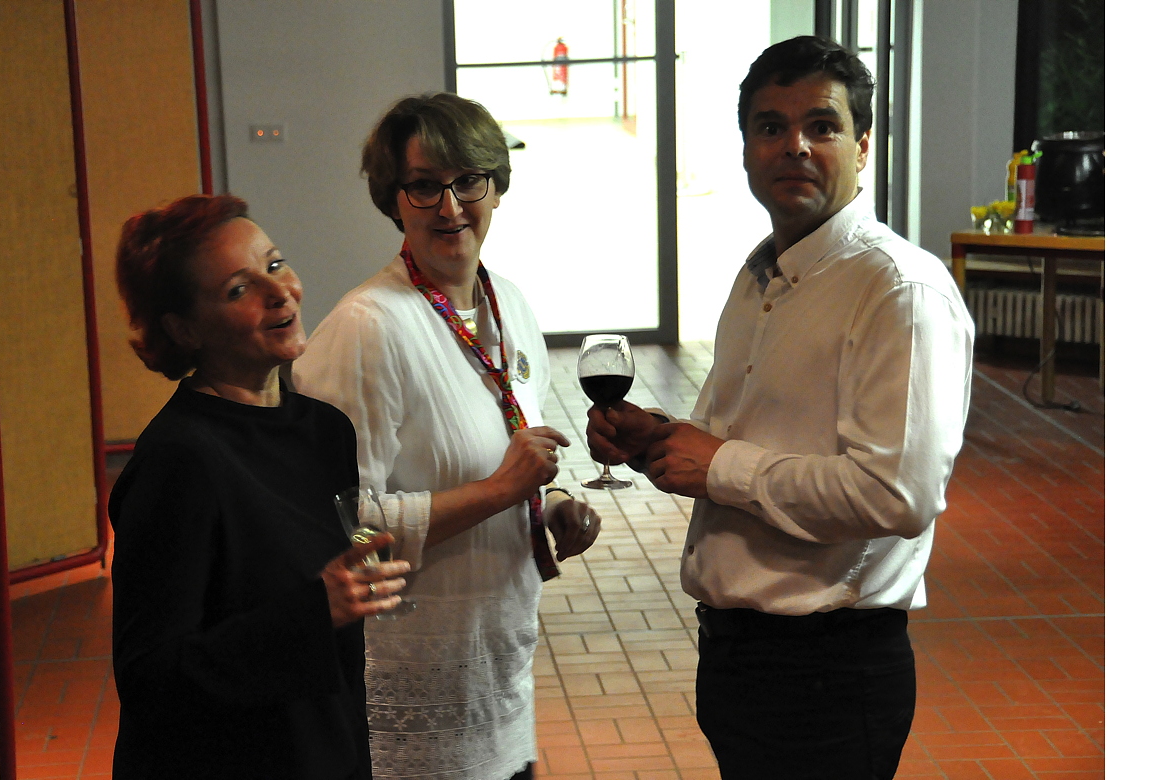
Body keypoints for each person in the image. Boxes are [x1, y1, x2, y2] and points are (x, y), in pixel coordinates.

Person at [587, 36, 974, 780]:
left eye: (822, 126)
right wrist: (657, 438)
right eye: (771, 127)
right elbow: (743, 438)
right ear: (746, 150)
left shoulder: (899, 291)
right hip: (740, 656)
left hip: (828, 674)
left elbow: (898, 495)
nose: (794, 145)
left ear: (863, 145)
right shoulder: (761, 274)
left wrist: (719, 465)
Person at [292, 92, 602, 780]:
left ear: (496, 187)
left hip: (499, 666)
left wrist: (551, 505)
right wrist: (498, 492)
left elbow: (501, 450)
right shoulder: (368, 327)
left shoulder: (508, 302)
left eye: (469, 181)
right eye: (425, 185)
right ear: (393, 199)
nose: (451, 206)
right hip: (413, 675)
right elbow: (338, 523)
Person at [109, 194, 410, 779]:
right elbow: (150, 678)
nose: (281, 292)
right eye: (238, 289)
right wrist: (312, 613)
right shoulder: (179, 460)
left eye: (275, 264)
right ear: (183, 328)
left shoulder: (325, 430)